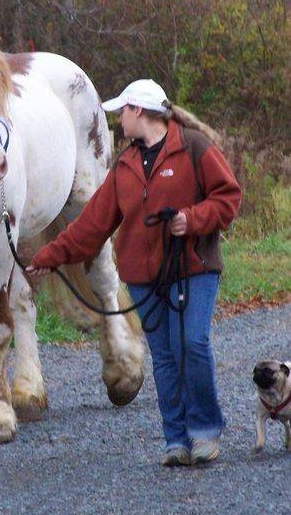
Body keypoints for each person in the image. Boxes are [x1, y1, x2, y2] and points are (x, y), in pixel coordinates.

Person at [26, 79, 242, 467]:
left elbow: (228, 197)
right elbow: (92, 225)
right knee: (163, 357)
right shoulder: (124, 164)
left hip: (194, 267)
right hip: (144, 278)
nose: (118, 120)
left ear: (139, 111)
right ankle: (176, 439)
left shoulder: (193, 147)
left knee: (191, 344)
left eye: (121, 112)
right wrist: (49, 255)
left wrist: (191, 220)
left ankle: (205, 431)